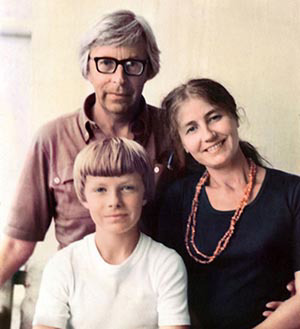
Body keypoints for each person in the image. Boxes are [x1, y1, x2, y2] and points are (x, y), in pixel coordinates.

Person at [0, 9, 175, 287]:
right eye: (106, 63)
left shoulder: (174, 133)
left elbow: (224, 199)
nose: (119, 79)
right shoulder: (52, 139)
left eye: (132, 64)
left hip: (156, 296)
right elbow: (16, 245)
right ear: (88, 67)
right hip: (74, 298)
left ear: (149, 70)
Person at [158, 78, 300, 329]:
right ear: (182, 144)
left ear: (235, 117)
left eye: (214, 117)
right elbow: (169, 292)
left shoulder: (292, 192)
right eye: (191, 129)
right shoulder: (176, 199)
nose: (208, 135)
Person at [32, 137, 190, 329]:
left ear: (145, 193)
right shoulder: (64, 265)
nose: (114, 201)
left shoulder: (166, 264)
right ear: (83, 197)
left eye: (127, 188)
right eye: (100, 189)